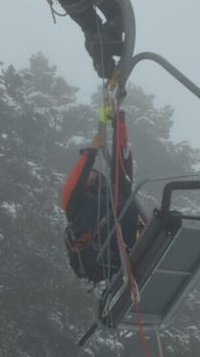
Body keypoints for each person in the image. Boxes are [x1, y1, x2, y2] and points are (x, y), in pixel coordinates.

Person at [60, 113, 139, 283]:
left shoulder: (113, 194)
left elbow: (123, 163)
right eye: (89, 174)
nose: (90, 175)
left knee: (125, 195)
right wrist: (91, 152)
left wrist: (119, 124)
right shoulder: (75, 206)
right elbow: (75, 181)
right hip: (102, 254)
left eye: (93, 174)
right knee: (122, 203)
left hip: (127, 245)